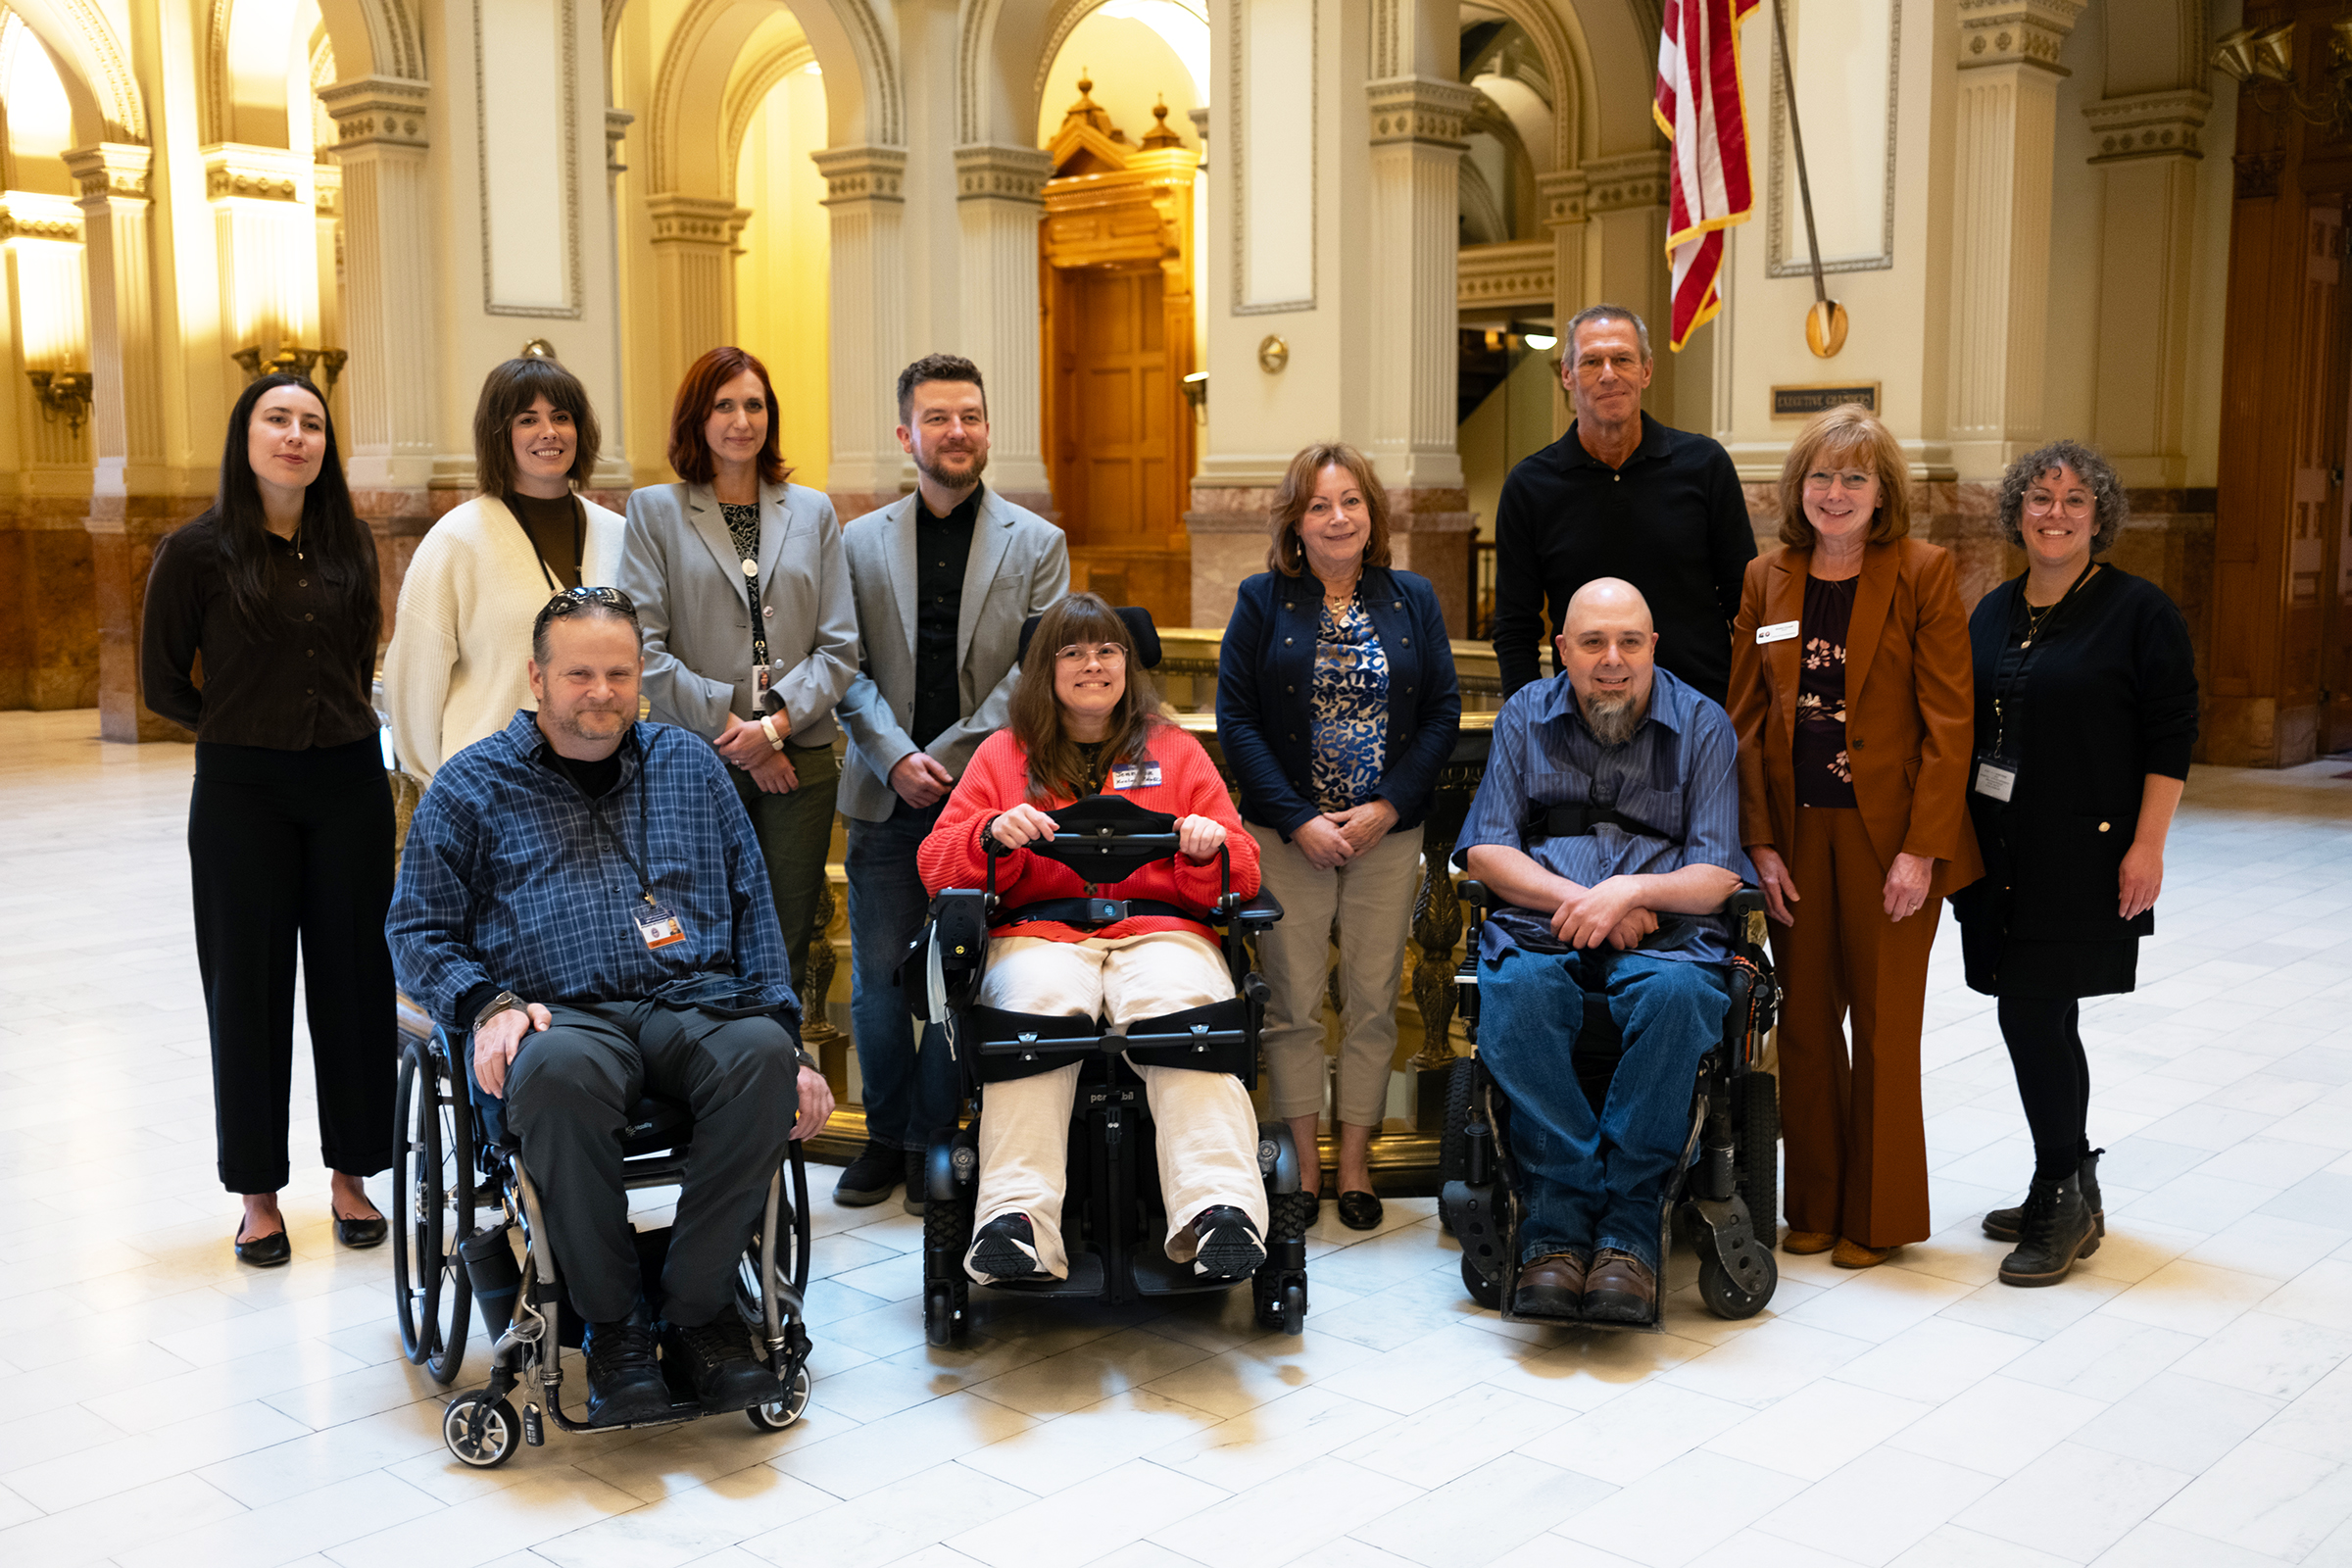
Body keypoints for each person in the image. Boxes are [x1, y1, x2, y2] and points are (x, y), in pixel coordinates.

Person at [386, 587, 835, 1425]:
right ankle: (615, 1328)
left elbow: (754, 912)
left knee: (762, 1060)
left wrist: (787, 1033)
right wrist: (488, 1004)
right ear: (537, 678)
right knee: (556, 1076)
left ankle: (697, 1314)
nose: (602, 692)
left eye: (619, 673)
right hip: (558, 1015)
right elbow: (414, 928)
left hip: (692, 1001)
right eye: (580, 673)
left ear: (642, 679)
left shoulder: (692, 766)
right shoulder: (471, 786)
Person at [917, 594, 1270, 1287]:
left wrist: (1210, 848)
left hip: (1161, 929)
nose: (1092, 665)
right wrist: (990, 836)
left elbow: (1247, 869)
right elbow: (936, 864)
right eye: (1072, 652)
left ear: (1128, 666)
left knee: (1183, 1011)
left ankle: (1218, 1212)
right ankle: (1015, 1224)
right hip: (1041, 933)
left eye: (1106, 650)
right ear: (1044, 671)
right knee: (1033, 1014)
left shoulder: (1176, 750)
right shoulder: (1001, 755)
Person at [141, 372, 394, 1265]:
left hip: (351, 788)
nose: (296, 436)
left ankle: (353, 1180)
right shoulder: (195, 550)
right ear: (245, 437)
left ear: (327, 445)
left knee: (357, 987)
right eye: (277, 420)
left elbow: (359, 655)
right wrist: (242, 726)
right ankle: (257, 1196)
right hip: (243, 796)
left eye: (312, 423)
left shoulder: (351, 542)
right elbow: (163, 682)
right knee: (247, 992)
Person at [1454, 578, 1750, 1323]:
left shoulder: (1705, 725)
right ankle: (1556, 1228)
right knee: (1518, 996)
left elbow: (1717, 871)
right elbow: (1487, 848)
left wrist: (1632, 896)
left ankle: (1627, 1234)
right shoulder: (1526, 714)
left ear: (1654, 646)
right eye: (1592, 643)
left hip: (1669, 939)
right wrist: (1581, 903)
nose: (1611, 659)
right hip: (1540, 924)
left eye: (1628, 642)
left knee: (1680, 1000)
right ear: (1564, 651)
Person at [1727, 404, 1982, 1269]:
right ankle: (1815, 1204)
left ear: (1883, 493)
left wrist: (1923, 849)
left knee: (1880, 1027)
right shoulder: (1769, 578)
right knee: (1802, 1029)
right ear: (1799, 489)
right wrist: (1756, 843)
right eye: (1821, 477)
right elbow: (1745, 724)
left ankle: (1877, 1216)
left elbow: (1952, 724)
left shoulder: (1923, 571)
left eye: (1854, 479)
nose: (1835, 494)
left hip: (1891, 840)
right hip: (1795, 837)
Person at [1954, 441, 2195, 1287]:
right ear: (2017, 510)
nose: (2055, 513)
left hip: (2083, 853)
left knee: (2031, 1011)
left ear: (2099, 517)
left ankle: (2061, 1187)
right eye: (2040, 498)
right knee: (2043, 1015)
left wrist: (2149, 844)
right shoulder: (1991, 610)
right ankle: (2069, 1178)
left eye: (2074, 501)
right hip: (1999, 854)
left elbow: (2172, 734)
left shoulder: (2140, 612)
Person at [832, 354, 1069, 1211]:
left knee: (978, 974)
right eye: (938, 418)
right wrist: (897, 753)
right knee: (880, 984)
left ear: (987, 429)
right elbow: (843, 667)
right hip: (885, 794)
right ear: (907, 435)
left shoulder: (1037, 543)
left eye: (970, 415)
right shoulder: (854, 542)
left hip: (992, 802)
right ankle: (888, 1137)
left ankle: (948, 1137)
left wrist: (953, 758)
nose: (956, 431)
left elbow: (1032, 676)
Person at [1215, 442, 1460, 1229]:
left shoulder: (1412, 597)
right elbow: (1238, 720)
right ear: (1296, 522)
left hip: (1386, 836)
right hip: (1290, 839)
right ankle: (1303, 1164)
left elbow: (1441, 714)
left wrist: (1389, 805)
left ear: (1371, 514)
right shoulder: (1261, 600)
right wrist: (1298, 818)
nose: (1337, 517)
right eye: (1319, 505)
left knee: (1371, 1003)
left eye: (1350, 501)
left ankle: (1356, 1163)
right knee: (1290, 1006)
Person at [616, 347, 858, 1004]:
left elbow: (840, 648)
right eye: (724, 405)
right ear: (697, 417)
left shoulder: (811, 511)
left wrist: (774, 731)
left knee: (779, 941)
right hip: (695, 759)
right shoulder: (655, 511)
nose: (740, 420)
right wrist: (740, 736)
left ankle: (775, 1081)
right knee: (699, 935)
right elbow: (644, 648)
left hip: (798, 763)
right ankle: (709, 1086)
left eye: (754, 404)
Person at [1489, 304, 1755, 705]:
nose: (1609, 374)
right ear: (1567, 375)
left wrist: (1746, 707)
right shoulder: (1530, 486)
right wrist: (1527, 721)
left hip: (1701, 715)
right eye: (1592, 361)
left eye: (1623, 359)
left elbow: (1745, 604)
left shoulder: (1705, 465)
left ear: (1645, 371)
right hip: (1584, 720)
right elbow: (1515, 628)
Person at [383, 356, 625, 783]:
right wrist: (441, 781)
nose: (548, 432)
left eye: (561, 417)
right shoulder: (455, 539)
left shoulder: (620, 534)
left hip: (605, 779)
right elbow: (413, 688)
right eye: (527, 419)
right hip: (488, 787)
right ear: (499, 434)